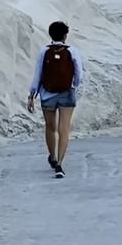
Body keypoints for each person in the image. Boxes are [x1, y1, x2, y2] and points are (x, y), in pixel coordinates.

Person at [26, 20, 82, 177]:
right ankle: (60, 165)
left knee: (51, 127)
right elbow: (79, 74)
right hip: (67, 93)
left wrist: (32, 95)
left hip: (47, 93)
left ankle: (53, 157)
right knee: (64, 129)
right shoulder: (73, 51)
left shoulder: (44, 51)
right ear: (65, 35)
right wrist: (73, 85)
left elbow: (38, 74)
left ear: (50, 34)